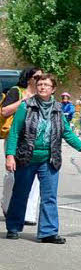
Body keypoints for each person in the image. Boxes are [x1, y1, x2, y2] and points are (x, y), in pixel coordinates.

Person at [5, 73, 81, 242]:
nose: (42, 87)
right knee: (20, 193)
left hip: (49, 159)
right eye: (40, 84)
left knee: (49, 197)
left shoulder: (57, 108)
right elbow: (14, 132)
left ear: (53, 89)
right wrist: (10, 156)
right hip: (26, 157)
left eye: (47, 85)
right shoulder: (26, 106)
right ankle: (13, 227)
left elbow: (67, 133)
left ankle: (48, 232)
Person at [2, 66, 42, 224]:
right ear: (29, 78)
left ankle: (28, 214)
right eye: (37, 77)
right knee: (13, 174)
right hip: (15, 138)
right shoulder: (16, 91)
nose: (40, 80)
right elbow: (4, 111)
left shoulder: (43, 95)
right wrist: (24, 101)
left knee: (35, 177)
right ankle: (7, 205)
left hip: (36, 141)